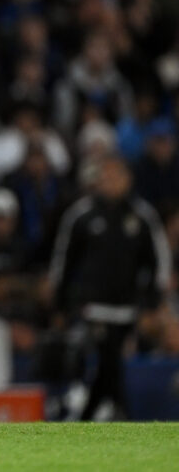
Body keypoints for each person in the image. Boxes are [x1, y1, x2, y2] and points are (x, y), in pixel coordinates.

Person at [49, 155, 171, 420]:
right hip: (93, 309)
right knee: (106, 363)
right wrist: (61, 305)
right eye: (106, 177)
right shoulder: (81, 215)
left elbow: (158, 263)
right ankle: (116, 414)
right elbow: (64, 264)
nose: (111, 182)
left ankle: (92, 415)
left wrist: (152, 303)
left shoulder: (142, 216)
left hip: (129, 311)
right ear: (98, 180)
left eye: (117, 176)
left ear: (128, 180)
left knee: (112, 367)